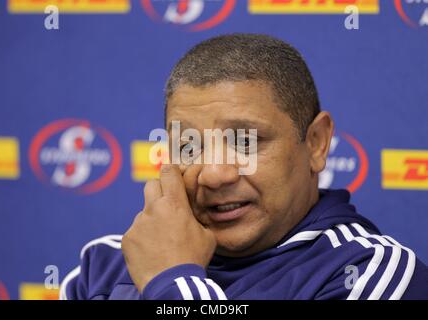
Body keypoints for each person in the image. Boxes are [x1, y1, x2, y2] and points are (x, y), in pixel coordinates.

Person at [60, 34, 428, 300]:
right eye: (189, 146)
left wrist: (170, 280)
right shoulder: (104, 266)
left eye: (245, 142)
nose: (214, 175)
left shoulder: (369, 273)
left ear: (316, 142)